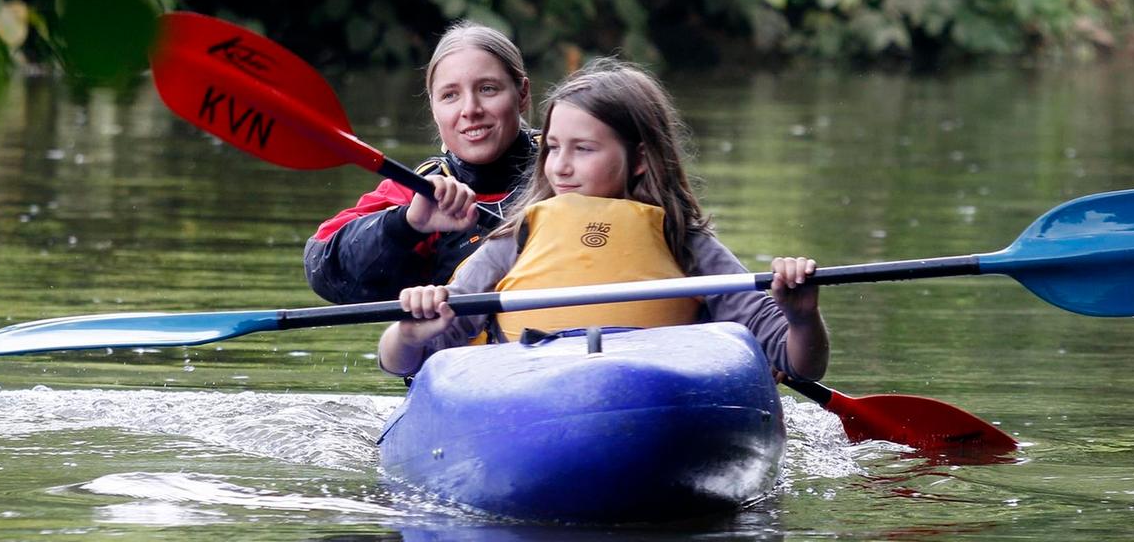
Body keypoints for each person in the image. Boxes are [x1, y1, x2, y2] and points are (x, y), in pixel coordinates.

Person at [378, 58, 830, 380]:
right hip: (531, 393)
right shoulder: (515, 240)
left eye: (584, 149)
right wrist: (408, 332)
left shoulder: (683, 242)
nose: (560, 166)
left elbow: (799, 364)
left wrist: (803, 318)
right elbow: (403, 362)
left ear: (638, 159)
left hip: (657, 393)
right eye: (553, 147)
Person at [303, 21, 537, 304]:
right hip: (468, 344)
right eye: (450, 95)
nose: (470, 110)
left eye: (487, 89)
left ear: (522, 94)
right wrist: (407, 224)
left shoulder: (572, 163)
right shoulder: (419, 193)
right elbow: (322, 266)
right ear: (434, 108)